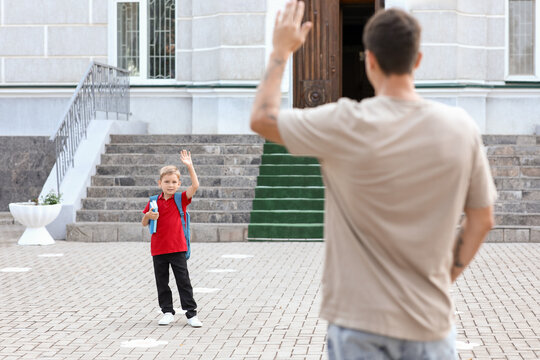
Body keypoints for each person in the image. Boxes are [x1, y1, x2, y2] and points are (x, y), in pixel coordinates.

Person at [250, 2, 497, 359]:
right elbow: (483, 219)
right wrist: (442, 279)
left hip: (358, 325)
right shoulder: (460, 128)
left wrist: (280, 51)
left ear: (369, 60)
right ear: (418, 60)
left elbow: (261, 118)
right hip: (430, 324)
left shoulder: (344, 123)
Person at [141, 150, 202, 328]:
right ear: (160, 183)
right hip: (158, 249)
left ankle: (191, 314)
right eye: (166, 182)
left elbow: (195, 186)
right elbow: (144, 221)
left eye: (174, 182)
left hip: (178, 248)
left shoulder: (180, 199)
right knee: (162, 282)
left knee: (184, 282)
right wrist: (149, 217)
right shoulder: (153, 201)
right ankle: (167, 312)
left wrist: (190, 166)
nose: (170, 185)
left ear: (178, 183)